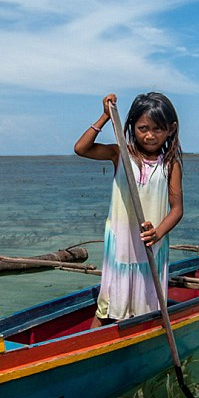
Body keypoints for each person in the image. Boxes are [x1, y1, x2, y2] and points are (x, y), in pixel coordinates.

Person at [74, 92, 184, 326]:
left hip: (150, 245)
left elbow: (176, 210)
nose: (150, 135)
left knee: (147, 305)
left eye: (158, 129)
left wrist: (159, 233)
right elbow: (81, 149)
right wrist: (105, 117)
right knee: (109, 304)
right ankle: (93, 343)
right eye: (143, 128)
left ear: (171, 129)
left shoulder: (170, 164)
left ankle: (142, 334)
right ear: (132, 127)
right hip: (121, 242)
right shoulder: (120, 154)